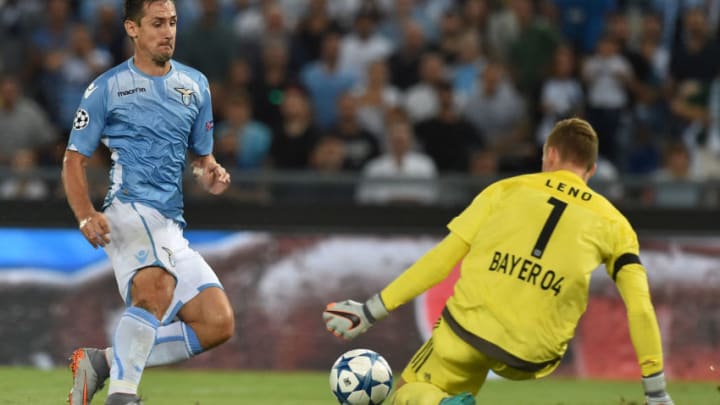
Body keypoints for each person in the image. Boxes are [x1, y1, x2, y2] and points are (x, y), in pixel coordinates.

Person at [324, 118, 674, 405]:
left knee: (410, 394)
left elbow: (440, 261)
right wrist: (655, 391)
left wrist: (370, 311)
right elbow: (640, 307)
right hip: (535, 353)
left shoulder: (504, 190)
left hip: (468, 331)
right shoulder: (615, 223)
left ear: (549, 154)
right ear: (592, 169)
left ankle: (440, 403)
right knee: (472, 367)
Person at [61, 1, 234, 404]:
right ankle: (122, 396)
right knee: (155, 289)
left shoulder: (195, 85)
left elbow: (201, 158)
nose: (168, 31)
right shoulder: (107, 87)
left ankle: (102, 364)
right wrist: (86, 214)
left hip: (170, 223)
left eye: (172, 22)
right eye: (157, 23)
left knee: (217, 323)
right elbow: (73, 160)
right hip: (128, 209)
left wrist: (209, 171)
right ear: (132, 29)